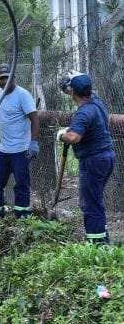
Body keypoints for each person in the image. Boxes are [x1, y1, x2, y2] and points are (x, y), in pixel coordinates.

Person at [57, 73, 115, 245]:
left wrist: (62, 135)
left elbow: (74, 137)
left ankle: (97, 245)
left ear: (73, 91)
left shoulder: (84, 112)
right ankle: (103, 239)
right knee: (95, 200)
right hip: (107, 157)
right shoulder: (97, 103)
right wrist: (76, 84)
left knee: (90, 204)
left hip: (93, 160)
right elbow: (82, 89)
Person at [0, 64, 39, 219]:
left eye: (7, 77)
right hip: (4, 149)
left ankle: (22, 216)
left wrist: (33, 143)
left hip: (21, 149)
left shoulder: (23, 95)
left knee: (21, 184)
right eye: (1, 79)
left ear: (14, 78)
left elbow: (34, 118)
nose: (4, 81)